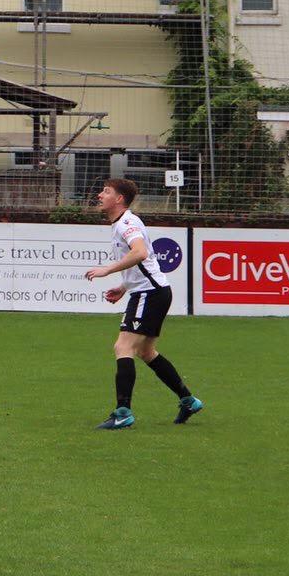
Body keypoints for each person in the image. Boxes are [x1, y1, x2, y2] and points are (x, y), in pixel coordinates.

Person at [84, 178, 202, 430]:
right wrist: (124, 286)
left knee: (122, 347)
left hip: (150, 293)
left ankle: (123, 412)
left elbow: (140, 253)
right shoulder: (121, 224)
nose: (99, 196)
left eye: (106, 192)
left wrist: (107, 271)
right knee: (146, 352)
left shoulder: (127, 222)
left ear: (119, 199)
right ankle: (188, 400)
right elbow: (142, 263)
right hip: (152, 291)